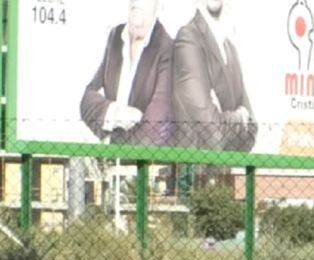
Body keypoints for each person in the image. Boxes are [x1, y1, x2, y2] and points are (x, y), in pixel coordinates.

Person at [80, 0, 173, 146]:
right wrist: (116, 113)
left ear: (159, 5)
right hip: (109, 162)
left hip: (143, 166)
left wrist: (109, 144)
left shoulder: (168, 49)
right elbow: (87, 100)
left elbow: (153, 131)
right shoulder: (116, 36)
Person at [171, 0, 257, 152]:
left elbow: (251, 133)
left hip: (224, 171)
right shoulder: (188, 38)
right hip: (193, 172)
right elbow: (213, 134)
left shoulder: (230, 49)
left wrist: (224, 118)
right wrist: (239, 117)